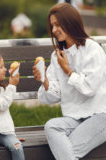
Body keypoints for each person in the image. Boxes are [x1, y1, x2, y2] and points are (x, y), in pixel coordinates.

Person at [33, 3, 106, 160]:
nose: (53, 31)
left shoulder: (92, 49)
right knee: (51, 126)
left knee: (65, 151)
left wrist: (68, 70)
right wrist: (44, 80)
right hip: (76, 119)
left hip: (101, 116)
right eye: (52, 26)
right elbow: (52, 96)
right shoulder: (57, 56)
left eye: (57, 25)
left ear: (71, 23)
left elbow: (89, 89)